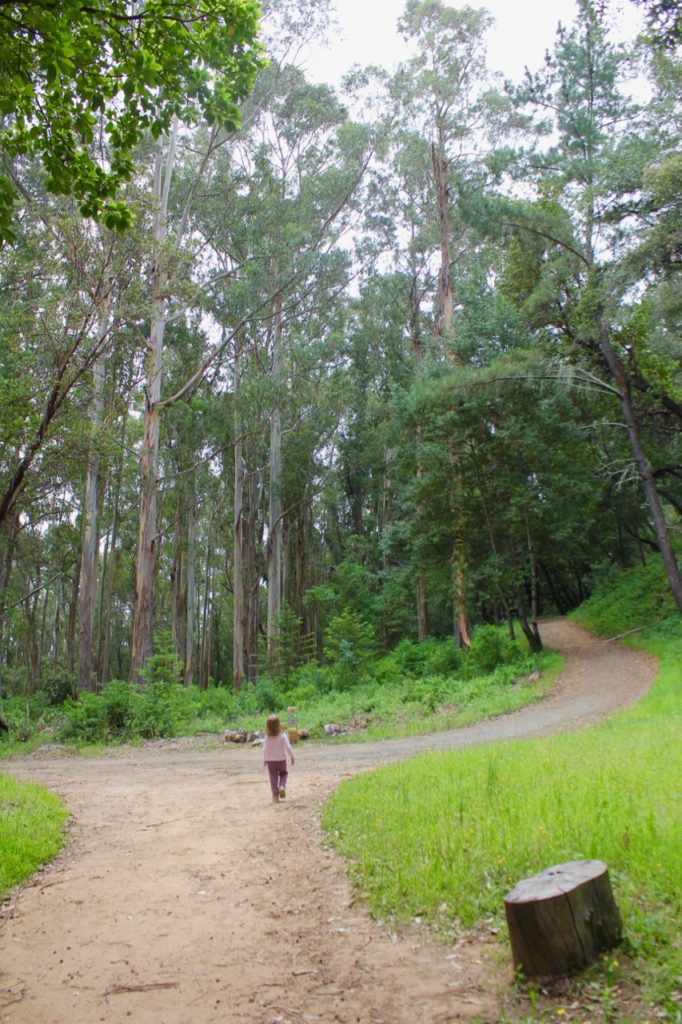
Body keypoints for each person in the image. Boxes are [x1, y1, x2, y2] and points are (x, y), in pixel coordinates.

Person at [263, 714, 295, 803]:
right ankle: (281, 786)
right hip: (281, 760)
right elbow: (288, 747)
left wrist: (265, 759)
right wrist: (292, 756)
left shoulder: (267, 737)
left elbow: (265, 749)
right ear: (279, 725)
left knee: (273, 777)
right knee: (284, 773)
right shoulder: (282, 736)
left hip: (270, 761)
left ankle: (275, 796)